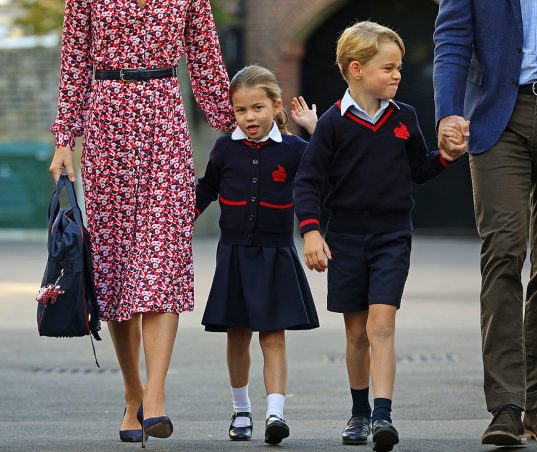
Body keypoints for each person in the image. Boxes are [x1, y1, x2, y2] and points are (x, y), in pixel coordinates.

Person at [48, 0, 235, 446]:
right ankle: (133, 390)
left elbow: (207, 59)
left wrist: (245, 125)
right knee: (115, 267)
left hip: (165, 120)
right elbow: (74, 63)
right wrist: (63, 140)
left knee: (162, 258)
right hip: (106, 123)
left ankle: (156, 394)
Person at [433, 0, 537, 446]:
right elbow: (451, 39)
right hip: (496, 117)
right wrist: (448, 110)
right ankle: (506, 405)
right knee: (504, 251)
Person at [294, 21, 466, 452]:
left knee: (381, 325)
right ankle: (359, 411)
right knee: (355, 334)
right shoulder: (332, 124)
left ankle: (383, 416)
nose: (397, 75)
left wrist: (446, 157)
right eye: (388, 68)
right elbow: (307, 182)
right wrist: (311, 233)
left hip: (392, 237)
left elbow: (420, 170)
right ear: (356, 69)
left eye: (400, 68)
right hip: (346, 239)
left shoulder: (405, 117)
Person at [195, 65, 320, 445]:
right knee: (237, 334)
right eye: (241, 110)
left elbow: (331, 167)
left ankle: (275, 415)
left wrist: (315, 129)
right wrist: (177, 221)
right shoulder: (224, 148)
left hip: (275, 254)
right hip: (233, 253)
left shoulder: (297, 150)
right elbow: (207, 188)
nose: (250, 117)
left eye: (258, 108)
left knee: (273, 335)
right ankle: (242, 410)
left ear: (276, 106)